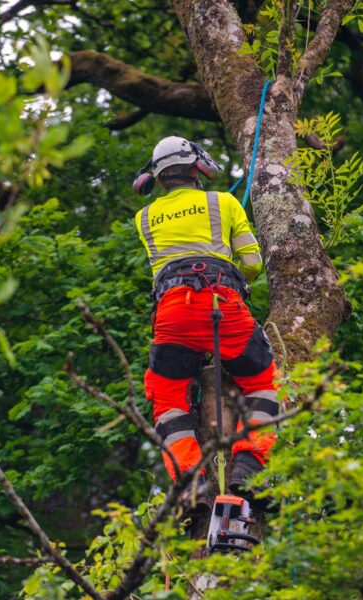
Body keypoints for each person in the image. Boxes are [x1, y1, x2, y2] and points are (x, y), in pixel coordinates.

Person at [132, 136, 281, 514]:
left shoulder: (144, 218)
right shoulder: (225, 203)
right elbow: (252, 263)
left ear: (158, 178)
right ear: (199, 169)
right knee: (263, 383)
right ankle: (247, 470)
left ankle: (192, 484)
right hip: (222, 304)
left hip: (172, 314)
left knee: (167, 402)